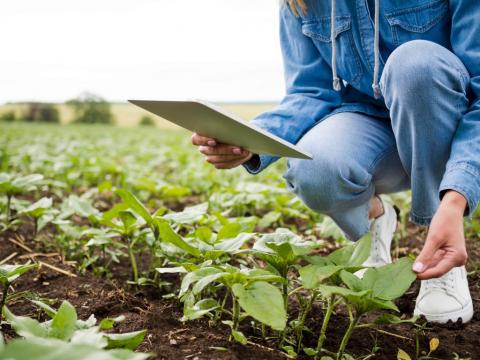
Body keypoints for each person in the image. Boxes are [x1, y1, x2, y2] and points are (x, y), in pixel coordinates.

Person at [192, 0, 479, 324]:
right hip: (369, 127)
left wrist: (456, 200)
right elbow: (310, 91)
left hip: (444, 124)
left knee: (414, 65)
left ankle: (440, 250)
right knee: (313, 168)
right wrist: (252, 138)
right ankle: (374, 221)